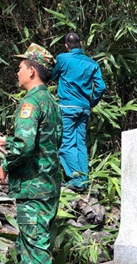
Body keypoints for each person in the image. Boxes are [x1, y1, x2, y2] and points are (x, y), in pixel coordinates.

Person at [0, 43, 62, 264]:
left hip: (33, 189)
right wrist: (6, 140)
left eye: (20, 68)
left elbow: (26, 146)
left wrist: (4, 166)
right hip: (47, 186)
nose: (17, 73)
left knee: (36, 250)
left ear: (32, 71)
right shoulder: (50, 101)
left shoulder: (29, 103)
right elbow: (46, 141)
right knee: (28, 246)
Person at [51, 32, 106, 192]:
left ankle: (77, 180)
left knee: (66, 143)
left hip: (68, 106)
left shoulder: (63, 59)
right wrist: (92, 103)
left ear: (66, 45)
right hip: (83, 108)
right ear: (81, 43)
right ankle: (84, 179)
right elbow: (101, 86)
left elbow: (53, 76)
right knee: (80, 143)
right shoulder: (92, 63)